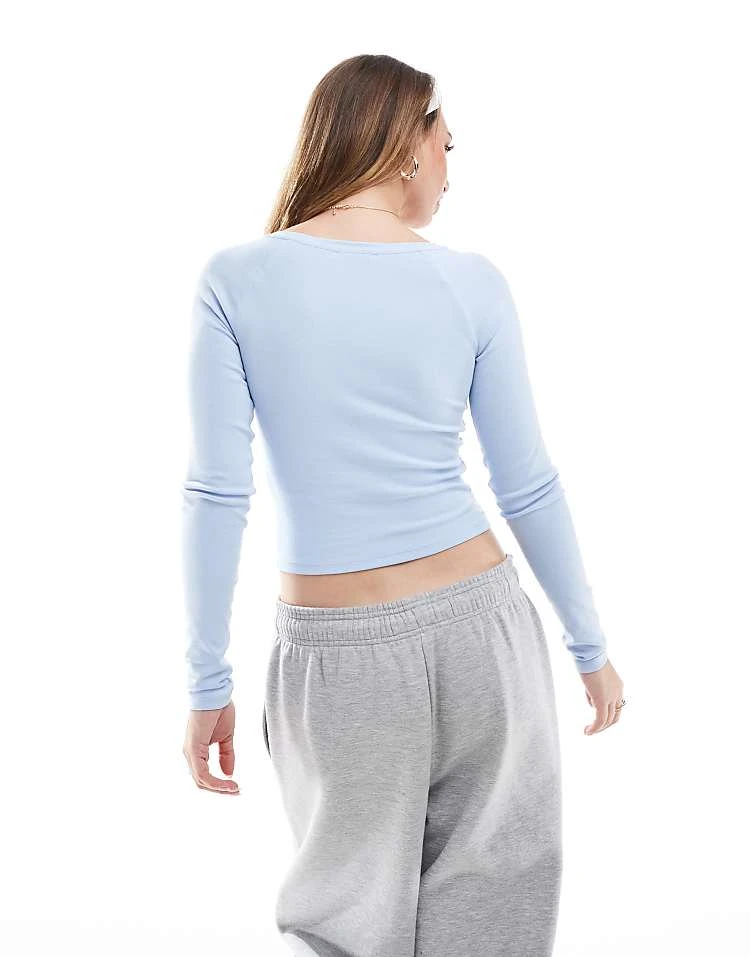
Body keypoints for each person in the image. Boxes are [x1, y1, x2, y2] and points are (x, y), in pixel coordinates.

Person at [181, 53, 625, 957]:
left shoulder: (236, 278)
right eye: (448, 145)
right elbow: (527, 483)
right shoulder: (470, 282)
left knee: (343, 925)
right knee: (492, 926)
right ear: (407, 144)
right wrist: (589, 647)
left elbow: (217, 494)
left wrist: (206, 682)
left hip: (336, 657)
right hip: (484, 635)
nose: (450, 172)